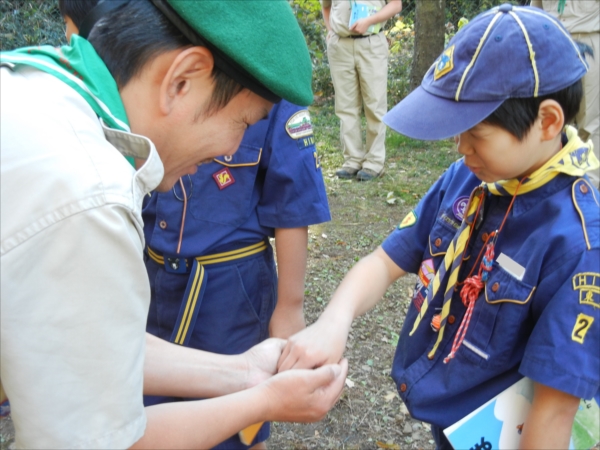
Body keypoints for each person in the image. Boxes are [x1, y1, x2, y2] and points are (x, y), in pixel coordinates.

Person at [0, 1, 348, 448]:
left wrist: (245, 371)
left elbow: (94, 349)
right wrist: (264, 402)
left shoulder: (36, 90)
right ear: (181, 80)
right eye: (243, 122)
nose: (235, 147)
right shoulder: (91, 195)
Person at [278, 4, 599, 449]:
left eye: (476, 132)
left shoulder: (579, 243)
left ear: (547, 122)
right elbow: (384, 261)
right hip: (454, 426)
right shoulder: (469, 179)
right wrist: (335, 320)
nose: (461, 146)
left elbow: (555, 409)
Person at [142, 101, 331, 450]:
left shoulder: (273, 90)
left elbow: (292, 203)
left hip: (231, 291)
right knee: (144, 402)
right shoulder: (168, 73)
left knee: (236, 421)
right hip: (151, 278)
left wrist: (289, 307)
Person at [322, 0, 402, 181]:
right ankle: (352, 160)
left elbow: (396, 5)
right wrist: (330, 30)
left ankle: (374, 163)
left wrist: (369, 21)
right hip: (340, 46)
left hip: (371, 43)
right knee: (345, 106)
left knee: (375, 105)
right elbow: (326, 6)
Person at [530, 0, 599, 189]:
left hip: (590, 40)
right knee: (555, 119)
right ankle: (555, 184)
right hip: (553, 44)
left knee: (590, 122)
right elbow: (535, 11)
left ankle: (589, 188)